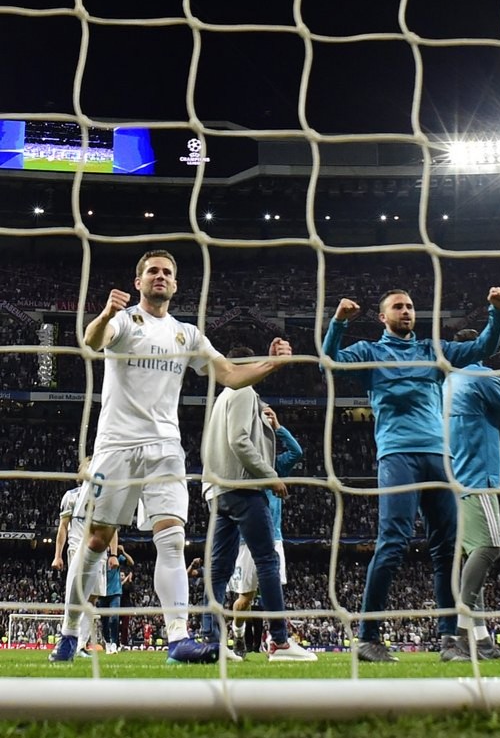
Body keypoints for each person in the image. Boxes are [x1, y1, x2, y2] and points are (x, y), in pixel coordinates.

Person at [50, 250, 292, 665]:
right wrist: (106, 313)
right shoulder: (125, 321)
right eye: (152, 271)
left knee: (173, 537)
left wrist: (273, 363)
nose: (159, 276)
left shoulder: (187, 335)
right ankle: (70, 632)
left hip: (165, 448)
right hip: (116, 446)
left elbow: (230, 374)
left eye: (167, 272)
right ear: (139, 281)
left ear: (176, 285)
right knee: (95, 541)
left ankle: (178, 639)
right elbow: (91, 340)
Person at [323, 286, 500, 662]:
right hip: (397, 456)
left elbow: (482, 348)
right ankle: (368, 638)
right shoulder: (370, 353)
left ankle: (449, 641)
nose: (406, 311)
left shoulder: (431, 350)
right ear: (383, 317)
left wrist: (498, 312)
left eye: (409, 306)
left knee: (447, 550)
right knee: (392, 543)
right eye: (398, 307)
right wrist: (339, 322)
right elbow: (329, 361)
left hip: (439, 457)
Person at [199, 346, 316, 662]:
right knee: (267, 561)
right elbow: (239, 441)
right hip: (243, 488)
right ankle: (279, 641)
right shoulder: (242, 390)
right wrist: (269, 476)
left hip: (218, 489)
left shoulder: (222, 397)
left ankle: (211, 640)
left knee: (219, 570)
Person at [441, 333, 500, 662]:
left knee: (472, 560)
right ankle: (455, 636)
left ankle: (480, 641)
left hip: (451, 483)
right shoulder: (480, 375)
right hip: (477, 479)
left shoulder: (447, 382)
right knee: (490, 548)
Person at [222, 405, 302, 657]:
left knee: (273, 592)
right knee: (245, 598)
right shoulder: (243, 463)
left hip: (274, 537)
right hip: (246, 539)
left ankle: (278, 640)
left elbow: (297, 452)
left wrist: (278, 427)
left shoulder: (276, 465)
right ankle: (238, 634)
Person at [52, 467, 117, 657]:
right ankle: (69, 638)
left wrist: (113, 554)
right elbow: (63, 527)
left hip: (100, 552)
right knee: (77, 595)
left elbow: (111, 528)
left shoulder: (104, 496)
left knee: (93, 598)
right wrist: (58, 555)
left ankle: (80, 644)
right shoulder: (71, 496)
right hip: (77, 548)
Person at [96, 544, 135, 654]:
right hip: (102, 592)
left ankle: (114, 643)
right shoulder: (99, 557)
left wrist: (123, 552)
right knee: (104, 620)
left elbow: (131, 563)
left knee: (114, 618)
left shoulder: (116, 557)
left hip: (115, 592)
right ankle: (107, 642)